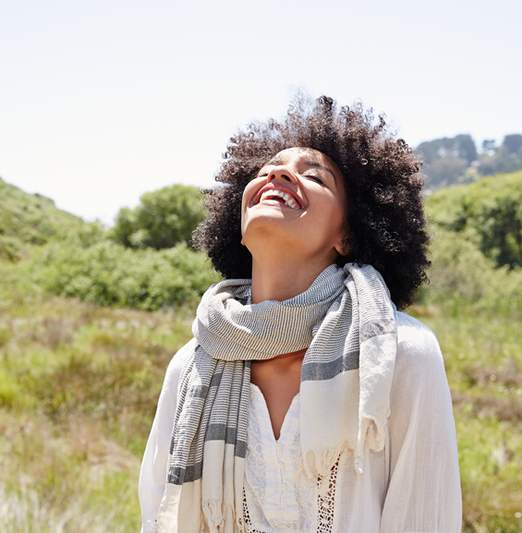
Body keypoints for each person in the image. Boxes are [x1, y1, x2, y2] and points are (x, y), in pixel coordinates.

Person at [139, 93, 462, 533]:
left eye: (316, 177)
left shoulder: (400, 353)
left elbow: (426, 518)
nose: (279, 173)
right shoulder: (191, 364)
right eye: (265, 170)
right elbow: (157, 513)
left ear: (347, 235)